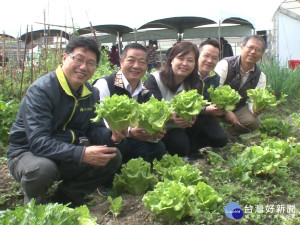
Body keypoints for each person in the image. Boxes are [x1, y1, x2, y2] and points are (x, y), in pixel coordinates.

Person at [7, 36, 126, 207]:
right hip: (27, 152)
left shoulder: (91, 93)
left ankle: (67, 197)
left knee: (112, 156)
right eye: (78, 59)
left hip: (64, 151)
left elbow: (93, 129)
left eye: (90, 63)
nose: (83, 67)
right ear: (64, 58)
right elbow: (38, 142)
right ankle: (35, 204)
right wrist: (81, 154)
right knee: (43, 169)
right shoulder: (42, 90)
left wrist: (111, 136)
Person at [93, 43, 166, 164]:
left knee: (159, 148)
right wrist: (129, 132)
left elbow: (152, 125)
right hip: (105, 139)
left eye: (142, 62)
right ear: (121, 61)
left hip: (131, 140)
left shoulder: (146, 93)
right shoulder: (104, 84)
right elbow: (98, 122)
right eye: (131, 60)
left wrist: (155, 132)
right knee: (121, 146)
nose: (136, 66)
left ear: (146, 66)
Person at [144, 42, 201, 158]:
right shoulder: (154, 79)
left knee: (181, 146)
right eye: (180, 58)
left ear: (195, 64)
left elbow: (196, 107)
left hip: (176, 128)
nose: (185, 64)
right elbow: (152, 109)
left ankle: (192, 150)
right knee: (156, 150)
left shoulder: (195, 82)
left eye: (190, 60)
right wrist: (172, 116)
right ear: (171, 60)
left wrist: (191, 117)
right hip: (154, 128)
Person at [214, 35, 267, 142]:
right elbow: (215, 90)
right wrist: (226, 111)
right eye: (250, 47)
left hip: (238, 108)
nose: (253, 52)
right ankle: (211, 135)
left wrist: (255, 109)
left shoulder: (260, 76)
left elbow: (254, 100)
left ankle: (230, 135)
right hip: (217, 106)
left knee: (253, 121)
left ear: (261, 54)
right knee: (212, 115)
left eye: (258, 50)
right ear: (242, 48)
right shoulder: (225, 64)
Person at [187, 39, 228, 154]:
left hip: (203, 118)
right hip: (186, 118)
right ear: (198, 56)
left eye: (214, 58)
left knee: (221, 140)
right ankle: (190, 148)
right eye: (206, 56)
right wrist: (205, 110)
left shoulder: (215, 77)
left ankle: (197, 144)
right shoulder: (188, 74)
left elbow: (212, 99)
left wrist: (223, 107)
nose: (210, 61)